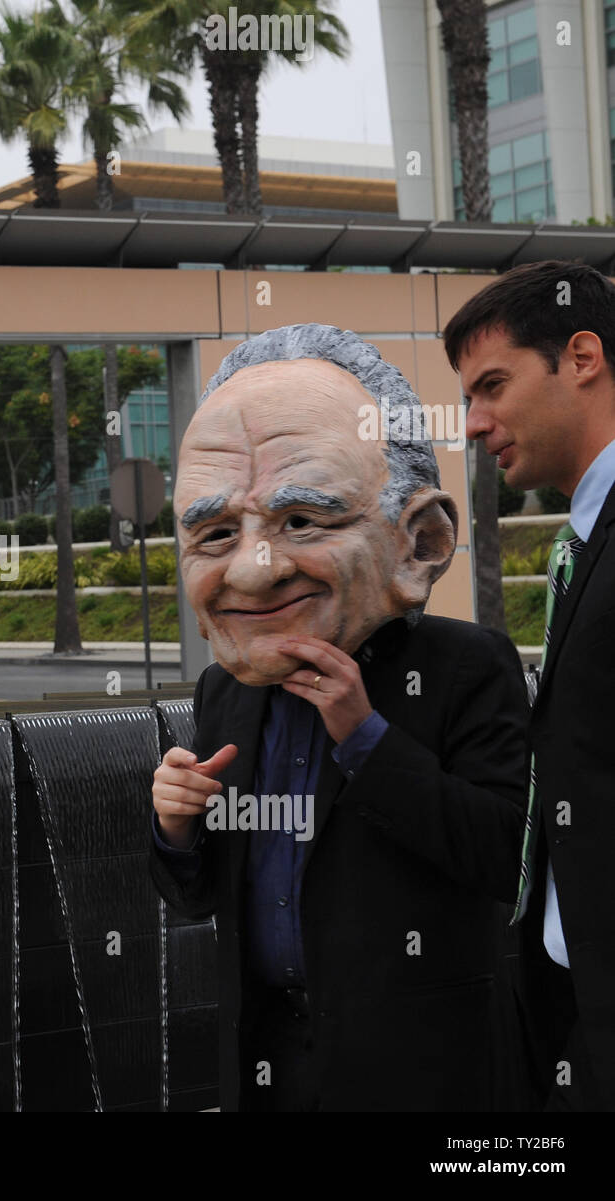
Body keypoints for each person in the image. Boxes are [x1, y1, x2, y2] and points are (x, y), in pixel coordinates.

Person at [149, 323, 529, 1111]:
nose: (254, 568)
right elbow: (204, 895)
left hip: (424, 1075)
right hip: (271, 1062)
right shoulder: (226, 692)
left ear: (419, 540)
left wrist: (368, 739)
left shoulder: (468, 669)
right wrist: (179, 827)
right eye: (216, 533)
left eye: (301, 521)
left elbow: (507, 860)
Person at [444, 259, 615, 1111]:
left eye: (493, 386)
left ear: (581, 357)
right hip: (566, 1007)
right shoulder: (579, 541)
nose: (475, 423)